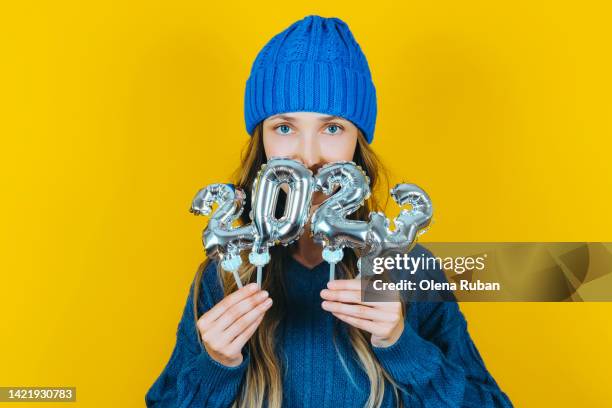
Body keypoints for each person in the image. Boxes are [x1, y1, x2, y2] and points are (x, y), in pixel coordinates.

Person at [145, 14, 513, 408]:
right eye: (285, 128)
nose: (309, 156)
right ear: (262, 142)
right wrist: (215, 366)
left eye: (332, 128)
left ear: (358, 141)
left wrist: (403, 346)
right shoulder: (223, 278)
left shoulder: (411, 272)